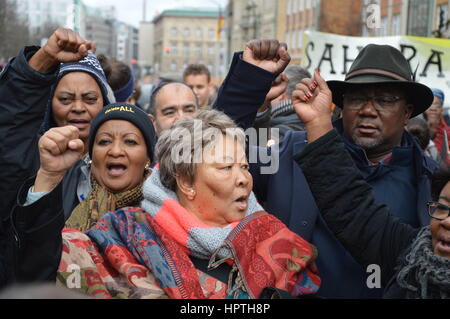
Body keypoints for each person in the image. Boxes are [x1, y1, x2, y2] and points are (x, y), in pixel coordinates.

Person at [11, 109, 321, 299]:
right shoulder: (119, 238)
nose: (243, 179)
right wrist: (49, 177)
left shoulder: (279, 245)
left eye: (244, 167)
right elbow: (37, 269)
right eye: (226, 168)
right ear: (186, 182)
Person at [214, 40, 437, 298]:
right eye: (356, 99)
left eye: (384, 100)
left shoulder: (430, 183)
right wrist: (248, 84)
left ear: (407, 111)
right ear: (341, 106)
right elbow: (219, 160)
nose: (367, 110)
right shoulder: (294, 152)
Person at [291, 72, 450, 298]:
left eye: (385, 100)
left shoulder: (426, 172)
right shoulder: (414, 252)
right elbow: (353, 209)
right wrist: (318, 123)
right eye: (442, 208)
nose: (447, 223)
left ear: (407, 113)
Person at [0, 28, 111, 288]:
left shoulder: (130, 163)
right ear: (50, 104)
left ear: (105, 102)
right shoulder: (31, 162)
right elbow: (11, 126)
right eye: (65, 98)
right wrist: (44, 60)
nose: (78, 108)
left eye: (90, 98)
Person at [11, 102, 156, 282]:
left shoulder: (162, 213)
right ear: (91, 156)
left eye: (130, 141)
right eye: (104, 141)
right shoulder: (67, 200)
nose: (116, 151)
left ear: (148, 158)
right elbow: (33, 267)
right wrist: (48, 175)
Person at [424, 88, 450, 164]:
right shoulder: (417, 129)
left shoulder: (448, 132)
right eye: (429, 105)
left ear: (441, 109)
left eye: (436, 105)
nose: (433, 109)